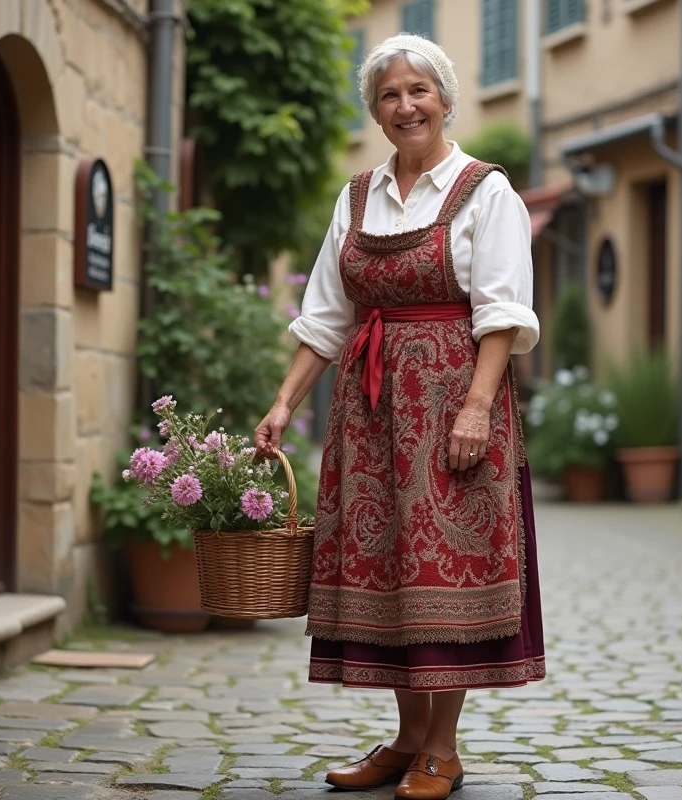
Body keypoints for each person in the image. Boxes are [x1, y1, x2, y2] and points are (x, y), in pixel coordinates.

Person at [255, 32, 545, 800]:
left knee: (439, 568)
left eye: (419, 90)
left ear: (446, 100)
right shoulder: (358, 197)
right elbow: (326, 315)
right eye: (390, 94)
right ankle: (407, 738)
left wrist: (478, 406)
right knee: (387, 567)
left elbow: (504, 314)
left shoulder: (486, 191)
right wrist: (284, 402)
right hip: (372, 408)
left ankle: (442, 750)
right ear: (376, 112)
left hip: (454, 401)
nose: (405, 105)